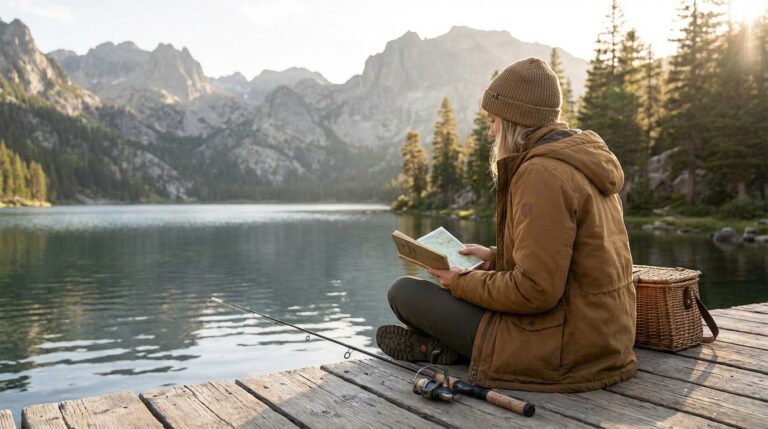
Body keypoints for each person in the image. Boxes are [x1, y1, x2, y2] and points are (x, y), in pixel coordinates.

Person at [377, 57, 636, 393]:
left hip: (563, 353)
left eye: (494, 121)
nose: (491, 131)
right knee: (432, 292)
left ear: (514, 122)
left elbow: (535, 291)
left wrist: (461, 282)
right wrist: (494, 260)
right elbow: (565, 267)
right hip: (602, 342)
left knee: (405, 293)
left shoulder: (542, 173)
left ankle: (437, 348)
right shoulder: (580, 163)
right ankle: (444, 346)